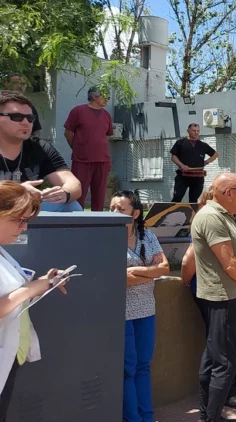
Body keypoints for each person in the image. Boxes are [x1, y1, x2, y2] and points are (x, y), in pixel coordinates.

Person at [191, 173, 236, 422]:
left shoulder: (224, 216)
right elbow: (230, 263)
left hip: (232, 296)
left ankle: (208, 415)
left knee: (215, 359)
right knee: (224, 362)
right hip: (222, 299)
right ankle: (211, 417)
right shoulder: (211, 217)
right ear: (229, 192)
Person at [0, 181, 71, 421]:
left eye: (26, 220)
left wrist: (44, 283)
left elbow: (12, 293)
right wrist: (32, 288)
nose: (23, 228)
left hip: (9, 357)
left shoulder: (3, 251)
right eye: (19, 220)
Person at [110, 191, 170, 421]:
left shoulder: (147, 235)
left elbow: (164, 268)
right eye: (112, 207)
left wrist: (137, 272)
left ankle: (147, 415)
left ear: (135, 214)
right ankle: (132, 418)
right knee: (127, 368)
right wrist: (149, 273)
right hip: (121, 313)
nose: (114, 212)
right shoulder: (108, 238)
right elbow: (119, 278)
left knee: (143, 365)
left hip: (146, 310)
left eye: (121, 209)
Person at [0, 91, 82, 212]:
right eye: (16, 117)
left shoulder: (41, 148)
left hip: (28, 210)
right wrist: (15, 192)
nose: (25, 122)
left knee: (71, 206)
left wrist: (63, 193)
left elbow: (73, 183)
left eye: (30, 118)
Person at [64, 87, 113, 211]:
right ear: (94, 96)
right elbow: (68, 133)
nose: (107, 99)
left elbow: (105, 136)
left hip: (102, 160)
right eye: (104, 96)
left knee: (99, 195)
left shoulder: (106, 115)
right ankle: (76, 220)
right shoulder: (78, 111)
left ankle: (97, 222)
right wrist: (77, 149)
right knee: (79, 192)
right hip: (82, 160)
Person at [170, 124, 218, 203]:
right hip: (183, 175)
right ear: (188, 131)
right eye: (194, 131)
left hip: (198, 176)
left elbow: (215, 154)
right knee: (177, 197)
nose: (196, 133)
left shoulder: (202, 145)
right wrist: (182, 165)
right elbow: (173, 157)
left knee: (194, 199)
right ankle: (171, 214)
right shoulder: (180, 143)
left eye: (198, 131)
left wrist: (206, 162)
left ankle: (193, 214)